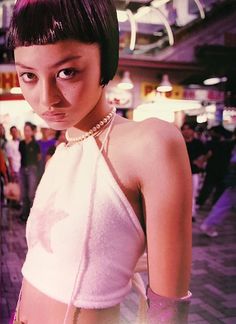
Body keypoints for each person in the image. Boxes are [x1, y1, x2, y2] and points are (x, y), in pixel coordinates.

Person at [8, 1, 192, 323]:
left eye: (67, 72)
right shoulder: (61, 153)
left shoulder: (150, 144)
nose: (46, 98)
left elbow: (169, 307)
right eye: (29, 76)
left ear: (106, 58)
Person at [181, 122, 206, 222]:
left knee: (192, 193)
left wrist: (200, 161)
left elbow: (205, 154)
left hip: (193, 172)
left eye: (188, 129)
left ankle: (191, 213)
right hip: (180, 173)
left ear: (192, 131)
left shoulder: (198, 143)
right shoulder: (179, 142)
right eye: (184, 129)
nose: (186, 131)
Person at [18, 122, 41, 222]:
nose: (26, 132)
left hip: (32, 169)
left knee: (31, 194)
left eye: (28, 130)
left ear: (32, 132)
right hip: (22, 169)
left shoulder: (35, 144)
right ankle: (24, 215)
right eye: (24, 130)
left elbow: (39, 157)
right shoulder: (21, 143)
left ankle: (33, 217)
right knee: (24, 194)